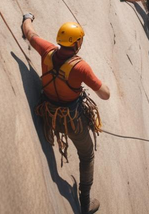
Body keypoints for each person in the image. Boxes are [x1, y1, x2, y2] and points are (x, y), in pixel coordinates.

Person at [21, 14, 110, 214]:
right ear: (77, 43)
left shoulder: (47, 51)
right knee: (87, 156)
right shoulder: (80, 67)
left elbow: (30, 33)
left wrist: (27, 18)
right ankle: (85, 203)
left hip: (48, 113)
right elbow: (105, 94)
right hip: (72, 121)